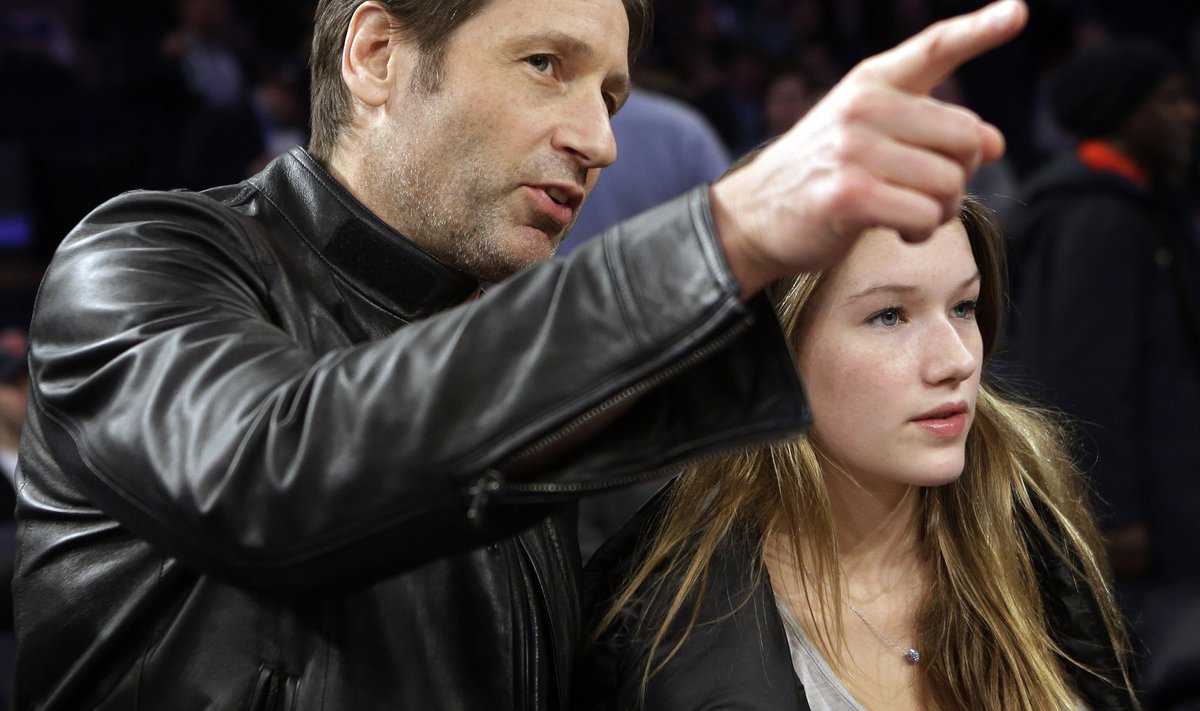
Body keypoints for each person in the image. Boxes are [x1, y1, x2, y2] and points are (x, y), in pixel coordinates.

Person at [13, 0, 1029, 708]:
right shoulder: (144, 257)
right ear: (375, 57)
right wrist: (727, 233)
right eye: (548, 65)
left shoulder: (524, 364)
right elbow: (274, 472)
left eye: (615, 97)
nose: (599, 140)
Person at [575, 194, 1138, 710]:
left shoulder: (1031, 525)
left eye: (964, 307)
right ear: (772, 351)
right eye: (889, 315)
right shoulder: (659, 615)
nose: (958, 361)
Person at [1003, 38, 1200, 707]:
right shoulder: (1099, 216)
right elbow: (1083, 378)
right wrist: (1112, 513)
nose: (1189, 115)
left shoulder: (1142, 206)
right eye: (1170, 100)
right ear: (1125, 112)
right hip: (1136, 515)